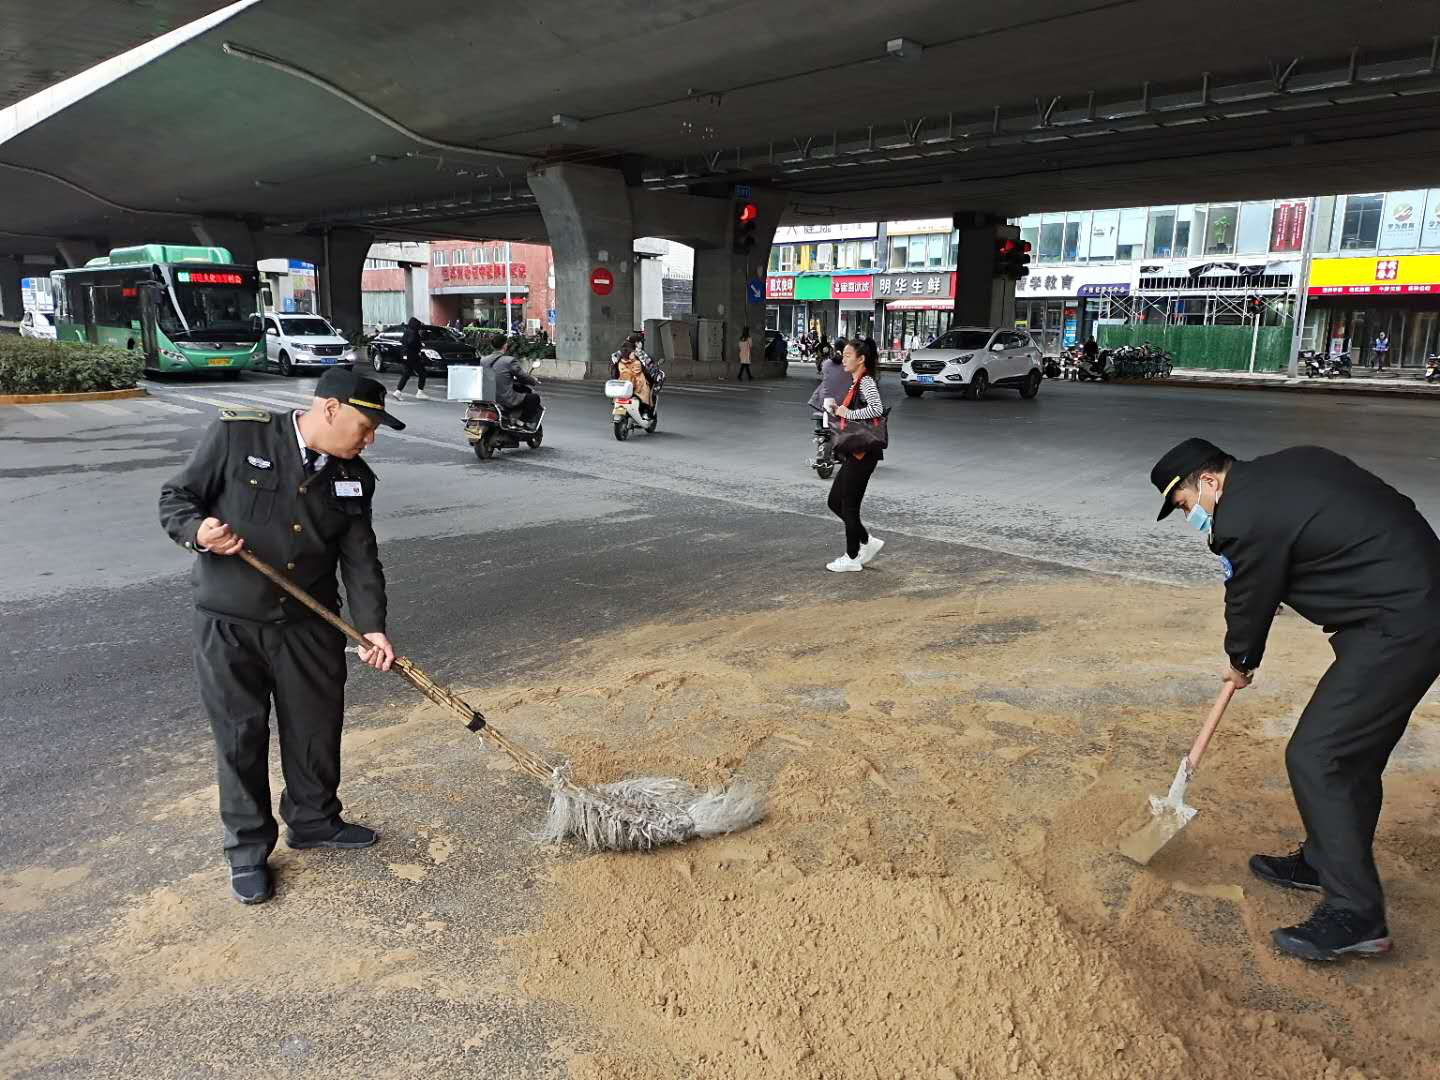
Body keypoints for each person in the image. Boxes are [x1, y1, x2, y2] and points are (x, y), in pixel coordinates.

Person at [1151, 437, 1440, 961]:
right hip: (1407, 602)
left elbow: (1248, 598)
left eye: (1187, 505)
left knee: (1319, 755)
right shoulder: (1293, 465)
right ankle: (1325, 861)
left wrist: (1240, 660)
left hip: (1400, 623)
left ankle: (1356, 914)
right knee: (1353, 755)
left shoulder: (1241, 517)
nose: (1192, 518)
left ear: (1210, 481)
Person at [158, 369, 405, 906]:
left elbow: (360, 559)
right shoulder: (238, 437)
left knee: (316, 728)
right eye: (365, 426)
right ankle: (247, 850)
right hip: (231, 623)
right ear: (331, 409)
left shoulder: (354, 478)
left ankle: (314, 820)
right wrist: (198, 532)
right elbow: (177, 497)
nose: (369, 439)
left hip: (310, 626)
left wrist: (372, 628)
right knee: (240, 736)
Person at [824, 338, 886, 572]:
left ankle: (851, 557)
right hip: (856, 451)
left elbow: (877, 409)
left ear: (861, 359)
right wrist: (838, 410)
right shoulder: (856, 382)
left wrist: (847, 413)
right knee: (834, 501)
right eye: (844, 355)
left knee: (848, 506)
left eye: (848, 355)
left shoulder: (866, 381)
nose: (844, 359)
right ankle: (867, 541)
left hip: (863, 453)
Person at [492, 338, 542, 428]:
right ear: (505, 345)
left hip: (488, 397)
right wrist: (533, 380)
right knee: (534, 398)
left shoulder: (483, 360)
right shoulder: (509, 361)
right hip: (504, 398)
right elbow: (522, 375)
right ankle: (521, 421)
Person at [394, 317, 429, 400]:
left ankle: (398, 392)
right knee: (422, 373)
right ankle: (420, 392)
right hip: (413, 356)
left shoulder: (407, 331)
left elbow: (403, 342)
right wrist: (419, 345)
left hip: (405, 356)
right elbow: (412, 342)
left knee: (406, 374)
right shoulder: (414, 333)